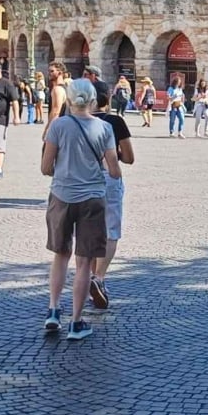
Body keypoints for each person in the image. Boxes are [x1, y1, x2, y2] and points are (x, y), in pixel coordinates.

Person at [40, 78, 121, 339]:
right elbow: (115, 170)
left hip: (62, 195)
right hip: (92, 198)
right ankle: (76, 322)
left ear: (70, 99)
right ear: (93, 99)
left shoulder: (58, 125)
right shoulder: (105, 128)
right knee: (85, 261)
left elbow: (45, 168)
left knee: (61, 254)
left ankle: (53, 311)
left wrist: (64, 169)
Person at [91, 84, 135, 310]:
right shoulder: (115, 122)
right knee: (111, 232)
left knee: (87, 231)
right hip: (108, 178)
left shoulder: (72, 121)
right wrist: (114, 152)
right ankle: (98, 278)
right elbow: (128, 157)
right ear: (107, 98)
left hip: (80, 180)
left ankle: (89, 278)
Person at [166, 73, 187, 137]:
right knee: (172, 119)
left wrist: (182, 101)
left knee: (182, 119)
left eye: (180, 82)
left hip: (179, 105)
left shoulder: (180, 89)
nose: (179, 83)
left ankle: (180, 132)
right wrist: (173, 97)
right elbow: (168, 97)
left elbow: (182, 96)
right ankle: (171, 132)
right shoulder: (171, 88)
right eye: (178, 82)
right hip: (173, 105)